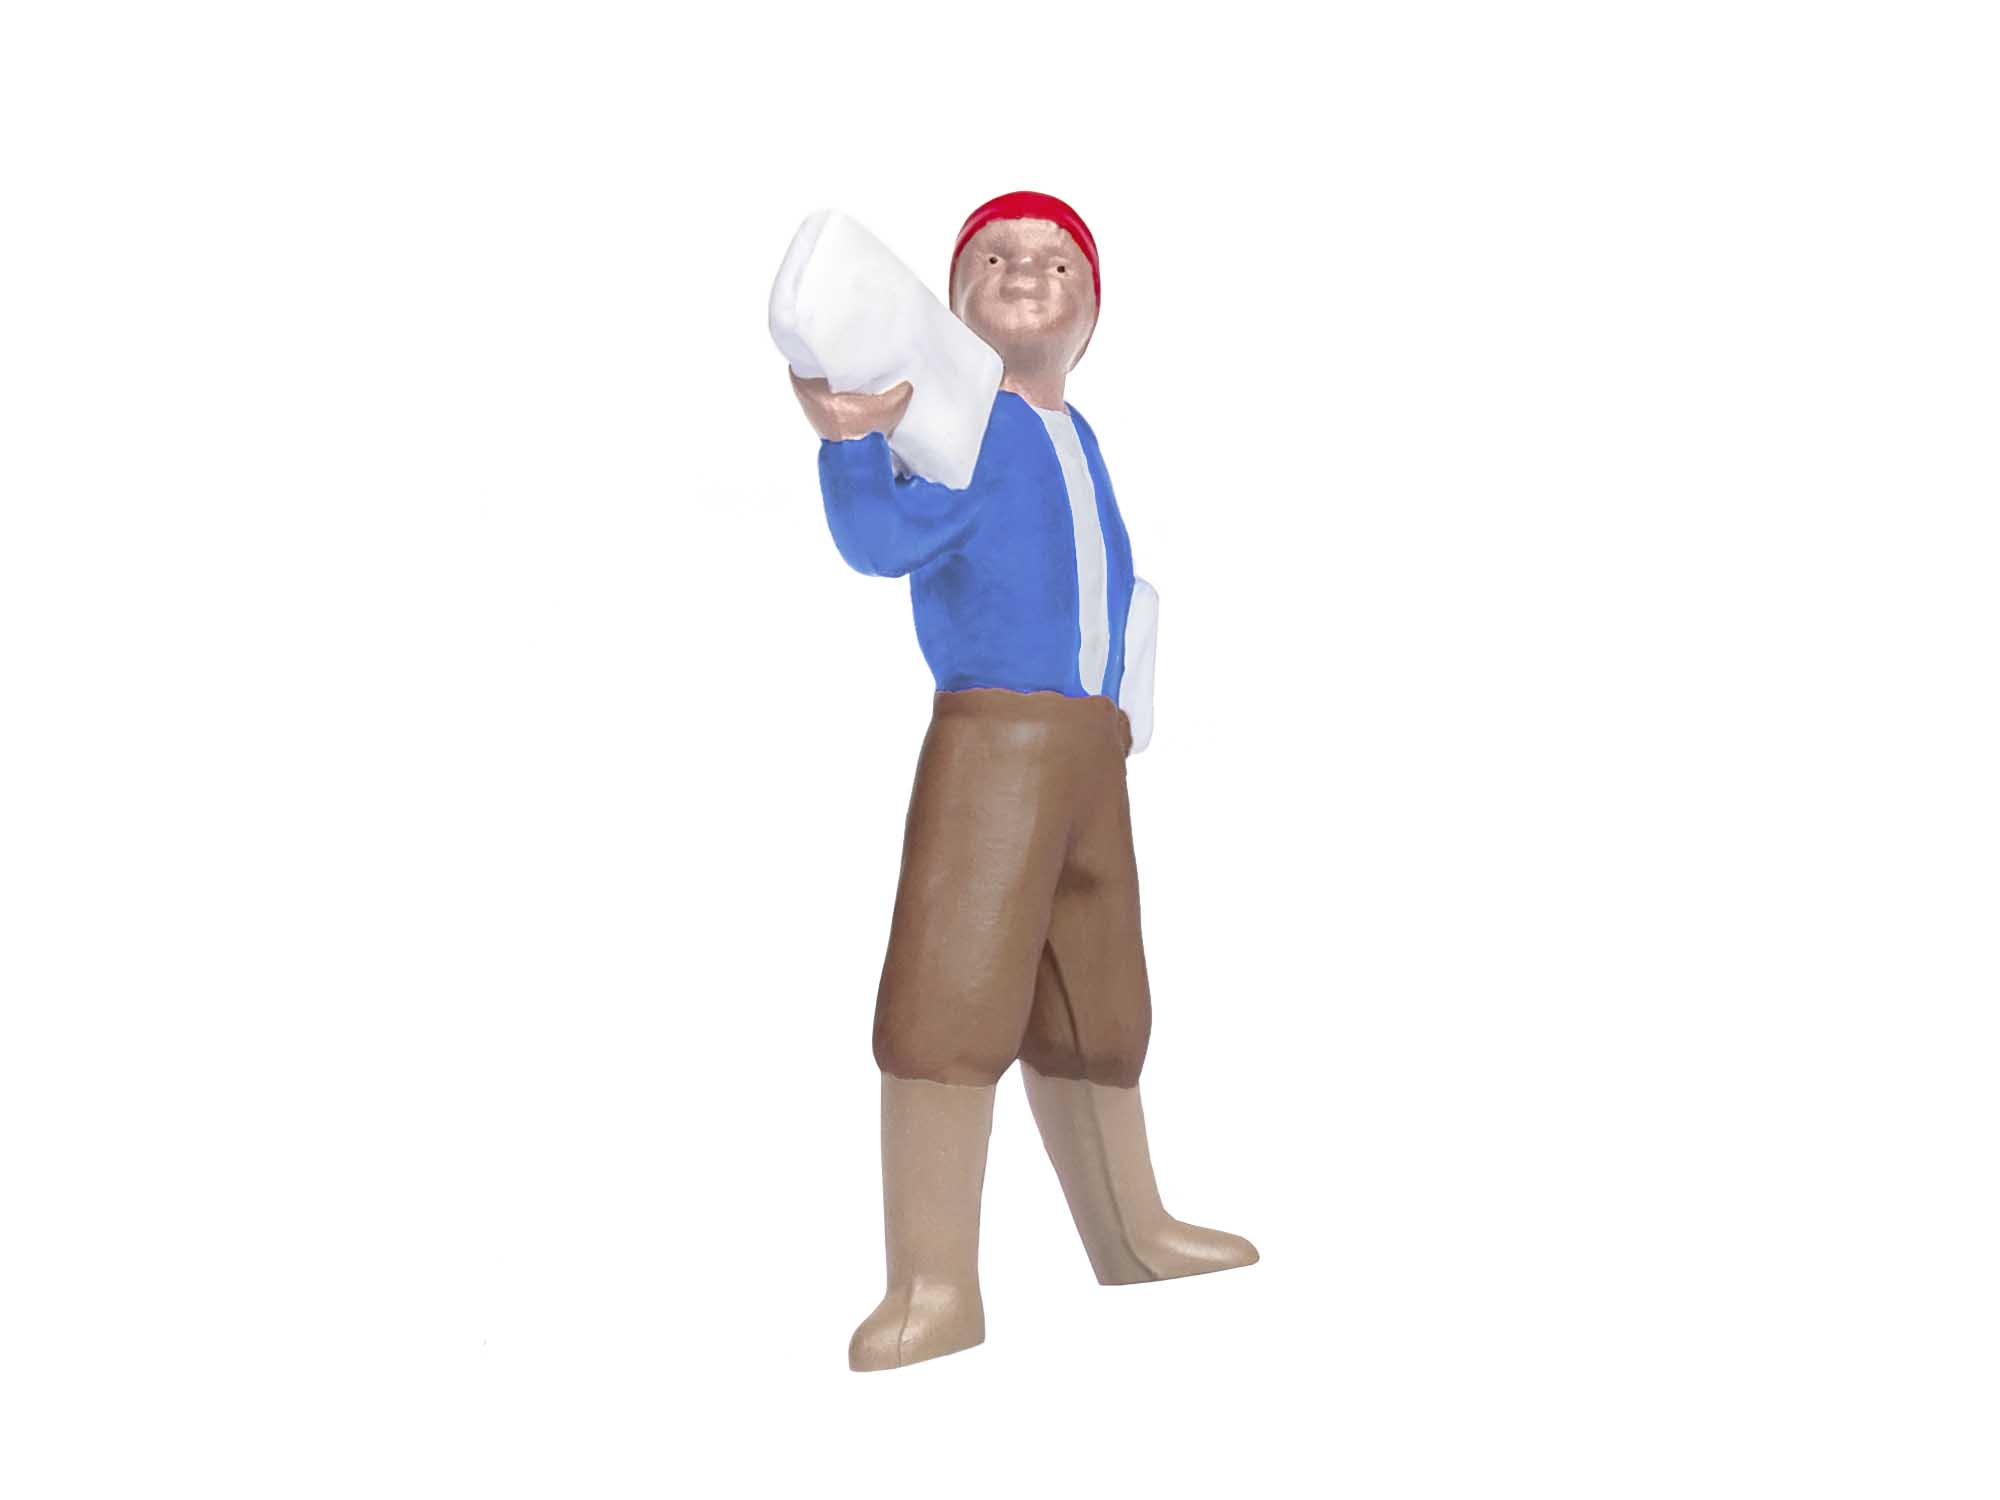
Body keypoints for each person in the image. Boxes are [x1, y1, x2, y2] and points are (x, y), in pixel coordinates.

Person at [790, 191, 1257, 1372]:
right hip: (994, 742)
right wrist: (851, 441)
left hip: (1092, 750)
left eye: (1056, 263)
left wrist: (1126, 703)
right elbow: (881, 542)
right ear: (951, 307)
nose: (1024, 271)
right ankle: (933, 1280)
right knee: (950, 990)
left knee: (1099, 994)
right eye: (993, 258)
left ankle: (1129, 1228)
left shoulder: (1076, 434)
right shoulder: (963, 429)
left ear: (1090, 316)